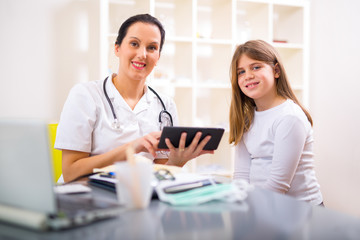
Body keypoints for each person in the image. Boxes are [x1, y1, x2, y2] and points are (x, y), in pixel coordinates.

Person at [55, 14, 212, 183]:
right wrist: (131, 148)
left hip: (136, 196)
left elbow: (158, 175)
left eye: (152, 47)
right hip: (84, 196)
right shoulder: (85, 95)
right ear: (117, 48)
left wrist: (177, 162)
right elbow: (70, 172)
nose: (142, 54)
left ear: (158, 56)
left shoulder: (165, 106)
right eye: (134, 44)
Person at [228, 40, 323, 205]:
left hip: (300, 211)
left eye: (256, 67)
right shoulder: (246, 119)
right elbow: (241, 176)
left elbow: (278, 186)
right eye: (241, 72)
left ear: (276, 70)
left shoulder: (289, 117)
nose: (248, 75)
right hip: (266, 205)